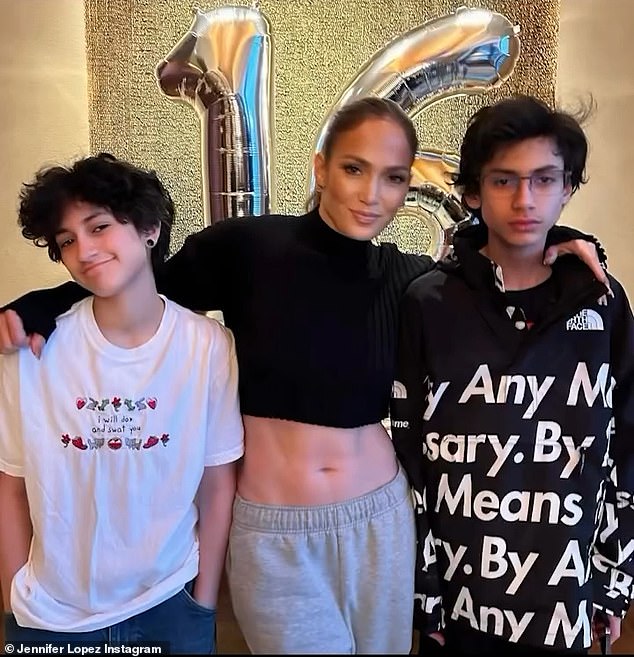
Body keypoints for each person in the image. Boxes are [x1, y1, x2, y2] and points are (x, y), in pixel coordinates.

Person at [0, 98, 608, 654]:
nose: (371, 193)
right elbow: (135, 281)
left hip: (382, 521)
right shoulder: (246, 249)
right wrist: (41, 304)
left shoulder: (413, 280)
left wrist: (565, 239)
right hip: (275, 531)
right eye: (354, 169)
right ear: (321, 167)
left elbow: (500, 264)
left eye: (394, 177)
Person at [390, 95, 634, 655]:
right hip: (461, 599)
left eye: (544, 179)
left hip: (566, 599)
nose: (525, 200)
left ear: (567, 187)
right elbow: (410, 455)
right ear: (473, 192)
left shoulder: (601, 301)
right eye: (504, 181)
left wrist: (614, 582)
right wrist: (426, 592)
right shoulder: (429, 302)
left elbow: (627, 445)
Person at [0, 154, 244, 653]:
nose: (84, 250)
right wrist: (13, 601)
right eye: (67, 240)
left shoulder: (207, 346)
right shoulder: (30, 349)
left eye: (99, 227)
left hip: (171, 605)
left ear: (149, 229)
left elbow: (217, 481)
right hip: (50, 616)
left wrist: (202, 602)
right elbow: (11, 486)